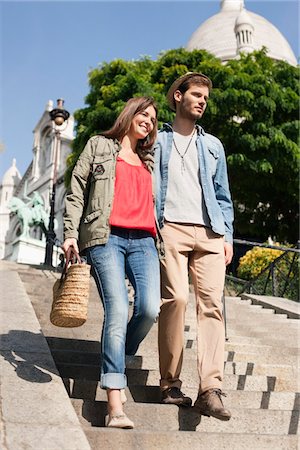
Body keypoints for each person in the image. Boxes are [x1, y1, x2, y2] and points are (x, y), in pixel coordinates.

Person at [62, 96, 160, 429]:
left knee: (148, 309)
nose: (148, 121)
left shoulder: (151, 159)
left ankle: (119, 354)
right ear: (130, 114)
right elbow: (76, 188)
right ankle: (115, 405)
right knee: (117, 310)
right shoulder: (99, 145)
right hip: (106, 238)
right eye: (143, 114)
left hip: (145, 241)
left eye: (153, 119)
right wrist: (70, 233)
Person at [154, 73, 234, 421]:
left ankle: (210, 389)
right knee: (177, 300)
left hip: (210, 232)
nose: (202, 101)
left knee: (212, 305)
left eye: (205, 97)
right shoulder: (157, 140)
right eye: (196, 95)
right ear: (177, 97)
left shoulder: (213, 145)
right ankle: (170, 383)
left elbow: (222, 195)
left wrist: (227, 235)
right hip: (170, 227)